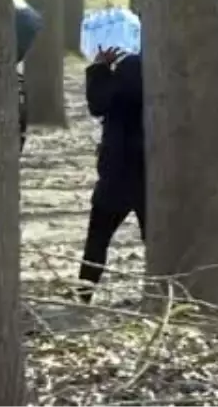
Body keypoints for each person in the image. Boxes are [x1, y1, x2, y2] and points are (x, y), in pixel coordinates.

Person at [76, 45, 144, 303]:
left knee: (97, 241)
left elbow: (96, 104)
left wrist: (99, 68)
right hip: (147, 174)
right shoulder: (150, 79)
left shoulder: (116, 87)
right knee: (155, 239)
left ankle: (84, 293)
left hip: (115, 176)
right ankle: (165, 291)